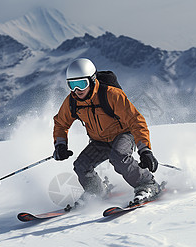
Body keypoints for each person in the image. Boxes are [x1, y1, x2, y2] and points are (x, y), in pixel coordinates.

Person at [52, 58, 160, 207]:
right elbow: (61, 123)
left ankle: (148, 184)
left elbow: (136, 121)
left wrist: (145, 150)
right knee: (81, 165)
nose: (77, 90)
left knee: (119, 157)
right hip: (99, 141)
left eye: (81, 84)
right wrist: (60, 145)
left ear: (92, 80)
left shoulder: (111, 95)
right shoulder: (73, 101)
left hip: (123, 134)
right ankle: (97, 191)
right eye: (72, 85)